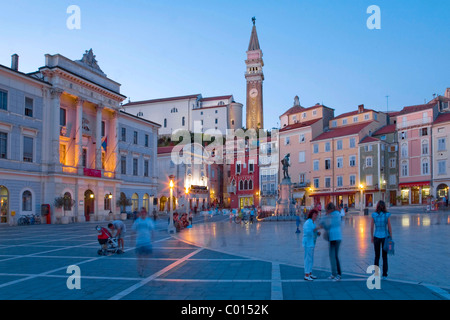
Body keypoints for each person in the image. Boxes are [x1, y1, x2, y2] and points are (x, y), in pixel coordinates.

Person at [321, 202, 342, 281]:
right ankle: (333, 273)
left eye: (327, 210)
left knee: (335, 256)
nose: (327, 211)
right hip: (333, 237)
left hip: (336, 237)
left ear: (330, 209)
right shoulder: (336, 214)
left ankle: (339, 274)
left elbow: (328, 226)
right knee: (331, 256)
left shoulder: (334, 215)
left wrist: (324, 223)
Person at [371, 200, 392, 280]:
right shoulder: (387, 215)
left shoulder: (374, 215)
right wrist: (391, 236)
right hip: (385, 236)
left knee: (377, 256)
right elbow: (389, 227)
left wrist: (371, 236)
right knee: (384, 256)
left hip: (376, 236)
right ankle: (384, 274)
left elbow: (372, 227)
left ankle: (376, 273)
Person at [132, 207, 155, 277]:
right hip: (139, 242)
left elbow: (152, 231)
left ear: (146, 213)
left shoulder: (149, 221)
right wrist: (131, 240)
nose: (143, 213)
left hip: (147, 242)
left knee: (146, 257)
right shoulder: (137, 221)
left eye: (144, 212)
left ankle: (143, 267)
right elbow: (133, 231)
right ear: (140, 213)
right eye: (141, 212)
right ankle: (140, 268)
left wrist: (152, 239)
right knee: (139, 257)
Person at [302, 209, 321, 281]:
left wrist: (317, 232)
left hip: (312, 243)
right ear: (311, 214)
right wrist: (315, 231)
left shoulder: (313, 223)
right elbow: (308, 232)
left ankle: (310, 272)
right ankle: (306, 274)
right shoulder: (308, 222)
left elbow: (314, 231)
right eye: (315, 214)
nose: (316, 216)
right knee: (307, 258)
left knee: (311, 258)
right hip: (308, 243)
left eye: (316, 214)